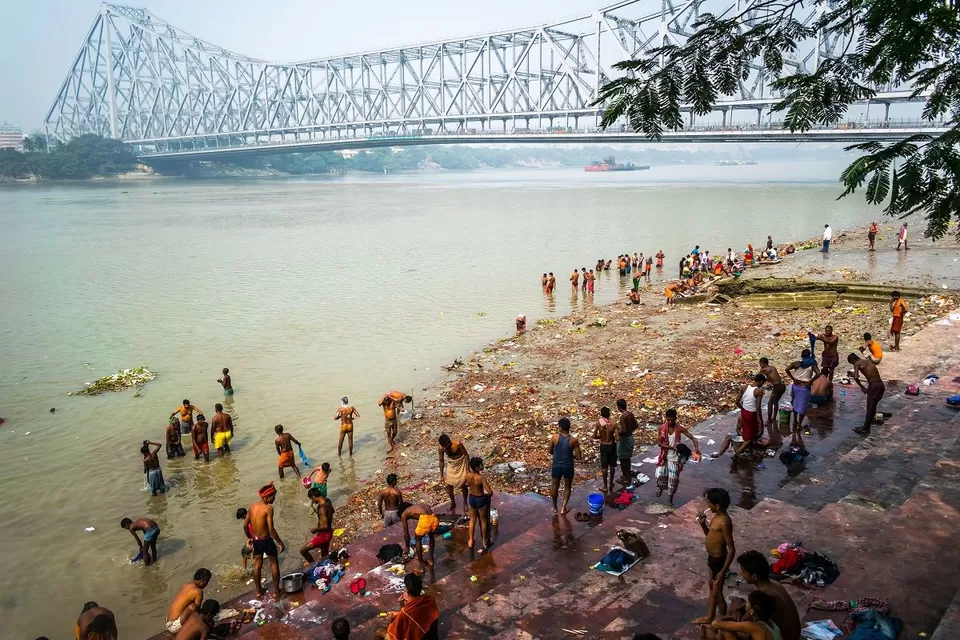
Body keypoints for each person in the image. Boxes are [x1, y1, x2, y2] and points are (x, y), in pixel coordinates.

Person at [736, 550, 801, 640]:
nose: (741, 574)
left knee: (732, 631)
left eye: (743, 572)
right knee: (739, 604)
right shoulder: (774, 583)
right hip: (794, 633)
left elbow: (745, 621)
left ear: (754, 577)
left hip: (785, 637)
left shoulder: (766, 594)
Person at [694, 488, 735, 626]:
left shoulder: (724, 522)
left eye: (709, 503)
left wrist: (723, 571)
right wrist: (703, 524)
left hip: (719, 561)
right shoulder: (716, 517)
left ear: (717, 506)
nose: (708, 506)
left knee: (718, 594)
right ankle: (710, 616)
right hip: (712, 559)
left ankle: (724, 623)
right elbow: (710, 536)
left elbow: (731, 549)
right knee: (712, 588)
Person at [245, 482, 285, 598]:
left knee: (257, 565)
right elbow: (271, 528)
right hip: (266, 540)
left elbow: (245, 525)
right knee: (274, 563)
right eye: (273, 496)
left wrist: (250, 538)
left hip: (256, 540)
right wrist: (280, 542)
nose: (274, 498)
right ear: (266, 497)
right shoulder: (268, 508)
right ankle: (277, 590)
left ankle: (258, 591)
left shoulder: (252, 507)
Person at [654, 409, 700, 505]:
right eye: (668, 420)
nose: (670, 422)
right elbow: (659, 443)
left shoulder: (679, 428)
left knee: (673, 479)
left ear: (675, 418)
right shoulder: (662, 428)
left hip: (675, 459)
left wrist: (697, 448)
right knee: (661, 475)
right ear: (666, 418)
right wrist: (671, 447)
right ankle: (660, 488)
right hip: (665, 457)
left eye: (672, 420)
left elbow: (693, 438)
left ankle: (670, 499)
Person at [377, 573, 440, 640]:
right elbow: (416, 614)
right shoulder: (430, 600)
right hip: (430, 635)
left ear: (408, 592)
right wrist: (399, 614)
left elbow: (395, 636)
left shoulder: (405, 613)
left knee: (379, 632)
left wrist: (389, 619)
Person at [710, 591, 782, 640]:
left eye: (748, 602)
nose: (746, 603)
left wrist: (730, 618)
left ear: (752, 611)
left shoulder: (754, 627)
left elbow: (715, 623)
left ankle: (716, 637)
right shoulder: (770, 622)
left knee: (726, 630)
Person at [460, 456, 494, 553]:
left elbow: (460, 485)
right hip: (480, 499)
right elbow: (490, 492)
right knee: (483, 521)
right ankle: (484, 542)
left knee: (472, 520)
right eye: (481, 465)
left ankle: (470, 540)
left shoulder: (468, 475)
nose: (483, 465)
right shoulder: (481, 478)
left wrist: (470, 486)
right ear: (477, 468)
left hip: (472, 498)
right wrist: (487, 496)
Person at [549, 417, 582, 515]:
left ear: (560, 427)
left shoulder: (554, 437)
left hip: (557, 465)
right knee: (567, 486)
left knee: (555, 485)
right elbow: (579, 457)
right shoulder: (573, 440)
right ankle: (563, 508)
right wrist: (571, 455)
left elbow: (550, 451)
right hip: (568, 466)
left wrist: (557, 453)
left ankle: (555, 507)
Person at [164, 568, 211, 633]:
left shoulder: (187, 585)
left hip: (168, 622)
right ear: (202, 581)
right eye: (207, 581)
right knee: (193, 607)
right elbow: (197, 613)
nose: (207, 584)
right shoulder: (198, 592)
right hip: (174, 627)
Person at [849, 353, 885, 434]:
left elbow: (856, 377)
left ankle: (866, 428)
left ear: (853, 360)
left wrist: (862, 387)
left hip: (874, 386)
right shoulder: (868, 361)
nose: (853, 365)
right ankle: (869, 423)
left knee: (869, 408)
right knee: (873, 406)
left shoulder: (857, 363)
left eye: (852, 363)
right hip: (880, 385)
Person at [785, 350, 819, 434]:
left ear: (802, 356)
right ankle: (799, 424)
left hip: (796, 386)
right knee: (803, 407)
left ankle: (795, 421)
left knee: (795, 404)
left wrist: (793, 379)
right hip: (804, 387)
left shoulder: (796, 363)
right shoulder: (812, 364)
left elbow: (786, 369)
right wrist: (810, 381)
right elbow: (818, 373)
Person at [301, 486, 335, 564]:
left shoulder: (322, 508)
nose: (311, 501)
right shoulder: (327, 501)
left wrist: (316, 529)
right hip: (329, 533)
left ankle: (313, 564)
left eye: (311, 499)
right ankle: (326, 567)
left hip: (324, 535)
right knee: (324, 555)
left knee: (303, 550)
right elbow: (332, 511)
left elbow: (326, 526)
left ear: (313, 497)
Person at [401, 503, 439, 571]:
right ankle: (431, 560)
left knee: (417, 540)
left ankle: (420, 566)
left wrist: (407, 547)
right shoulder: (417, 506)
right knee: (431, 536)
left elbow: (406, 533)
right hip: (434, 518)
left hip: (426, 520)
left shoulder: (404, 514)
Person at [438, 434, 469, 513]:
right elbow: (441, 461)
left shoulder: (457, 444)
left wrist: (467, 469)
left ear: (449, 441)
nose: (445, 448)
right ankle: (452, 502)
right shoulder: (441, 448)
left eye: (446, 445)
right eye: (443, 446)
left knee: (463, 484)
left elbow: (466, 455)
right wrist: (441, 475)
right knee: (449, 485)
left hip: (461, 462)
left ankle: (465, 502)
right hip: (451, 464)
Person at [593, 407, 619, 493]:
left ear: (601, 414)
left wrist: (601, 437)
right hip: (612, 445)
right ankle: (611, 483)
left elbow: (594, 436)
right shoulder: (614, 424)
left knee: (604, 466)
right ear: (609, 414)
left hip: (603, 446)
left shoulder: (599, 423)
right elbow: (617, 438)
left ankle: (605, 486)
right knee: (612, 465)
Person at [616, 398, 638, 487]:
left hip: (624, 440)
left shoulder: (623, 417)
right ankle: (627, 475)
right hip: (630, 438)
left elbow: (624, 430)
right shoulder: (630, 414)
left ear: (619, 407)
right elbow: (636, 425)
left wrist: (617, 431)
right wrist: (630, 431)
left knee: (622, 459)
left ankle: (626, 477)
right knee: (627, 458)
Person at [759, 358, 786, 427]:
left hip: (777, 387)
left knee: (770, 403)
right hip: (782, 385)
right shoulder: (772, 368)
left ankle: (769, 420)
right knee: (776, 402)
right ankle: (774, 418)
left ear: (763, 363)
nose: (760, 365)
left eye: (760, 364)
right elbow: (773, 378)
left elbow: (759, 377)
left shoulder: (764, 369)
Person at [237, 508, 253, 573]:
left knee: (246, 552)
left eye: (241, 518)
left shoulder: (249, 522)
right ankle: (244, 569)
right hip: (253, 539)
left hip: (256, 539)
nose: (242, 519)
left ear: (244, 515)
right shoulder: (251, 518)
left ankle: (246, 569)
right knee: (244, 551)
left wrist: (251, 541)